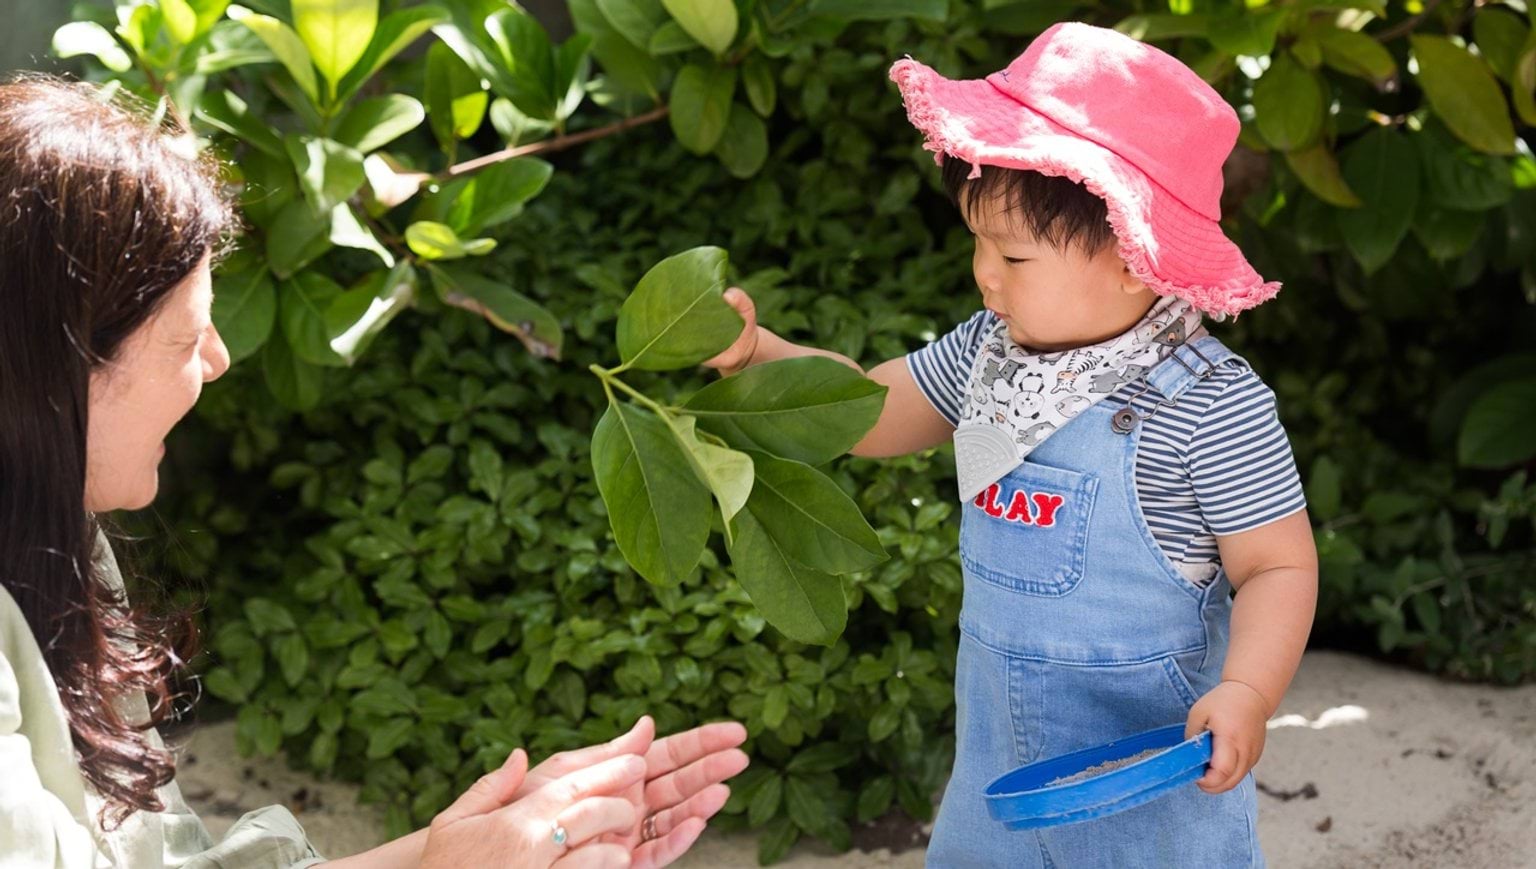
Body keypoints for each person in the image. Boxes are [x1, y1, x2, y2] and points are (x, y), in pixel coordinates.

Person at [0, 77, 747, 868]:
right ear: (58, 368)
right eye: (187, 340)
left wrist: (466, 848)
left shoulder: (57, 527)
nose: (219, 360)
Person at [705, 22, 1318, 867]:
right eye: (977, 241)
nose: (986, 274)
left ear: (1134, 256)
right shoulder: (990, 353)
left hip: (1144, 780)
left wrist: (1246, 689)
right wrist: (762, 354)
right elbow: (868, 408)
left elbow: (1277, 565)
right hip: (998, 771)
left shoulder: (1209, 406)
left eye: (1014, 254)